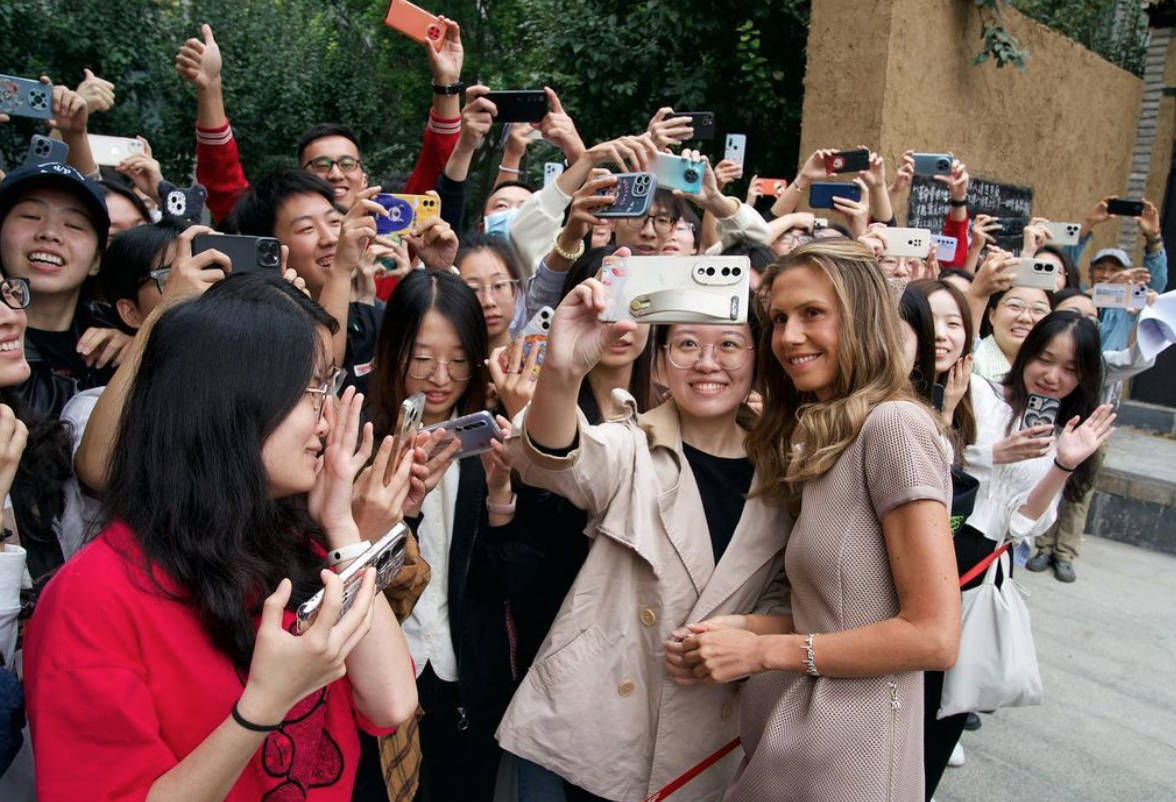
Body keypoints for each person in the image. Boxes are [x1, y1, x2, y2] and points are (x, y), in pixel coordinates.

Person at [23, 274, 419, 799]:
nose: (328, 419)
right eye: (311, 390)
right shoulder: (90, 597)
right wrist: (260, 708)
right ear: (230, 405)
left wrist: (342, 526)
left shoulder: (291, 543)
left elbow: (393, 702)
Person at [500, 246, 791, 802]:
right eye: (686, 344)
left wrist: (748, 636)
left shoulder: (784, 475)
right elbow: (553, 456)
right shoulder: (631, 446)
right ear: (658, 364)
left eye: (729, 344)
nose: (708, 361)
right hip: (594, 732)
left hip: (708, 738)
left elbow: (787, 596)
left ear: (757, 360)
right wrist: (562, 368)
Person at [678, 239, 960, 802]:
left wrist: (762, 652)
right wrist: (744, 629)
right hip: (791, 747)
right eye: (779, 318)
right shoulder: (830, 433)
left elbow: (933, 636)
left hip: (849, 761)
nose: (789, 337)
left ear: (861, 320)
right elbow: (839, 613)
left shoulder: (895, 427)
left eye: (812, 314)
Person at [365, 269, 515, 802]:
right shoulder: (361, 443)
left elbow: (503, 582)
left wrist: (501, 496)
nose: (440, 377)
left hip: (465, 677)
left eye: (457, 359)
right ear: (392, 352)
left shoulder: (491, 443)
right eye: (422, 358)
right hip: (382, 674)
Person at [176, 21, 465, 223]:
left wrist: (447, 82)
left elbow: (436, 163)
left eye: (347, 164)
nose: (336, 174)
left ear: (364, 178)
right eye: (322, 165)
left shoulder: (395, 228)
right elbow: (224, 187)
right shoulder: (278, 236)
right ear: (301, 178)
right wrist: (210, 89)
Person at [1025, 289, 1160, 582]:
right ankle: (1043, 547)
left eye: (1090, 317)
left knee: (1078, 493)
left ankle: (1065, 553)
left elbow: (1138, 358)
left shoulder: (1103, 362)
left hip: (1089, 436)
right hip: (1050, 429)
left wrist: (1148, 319)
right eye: (1073, 313)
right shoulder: (1033, 359)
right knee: (1046, 485)